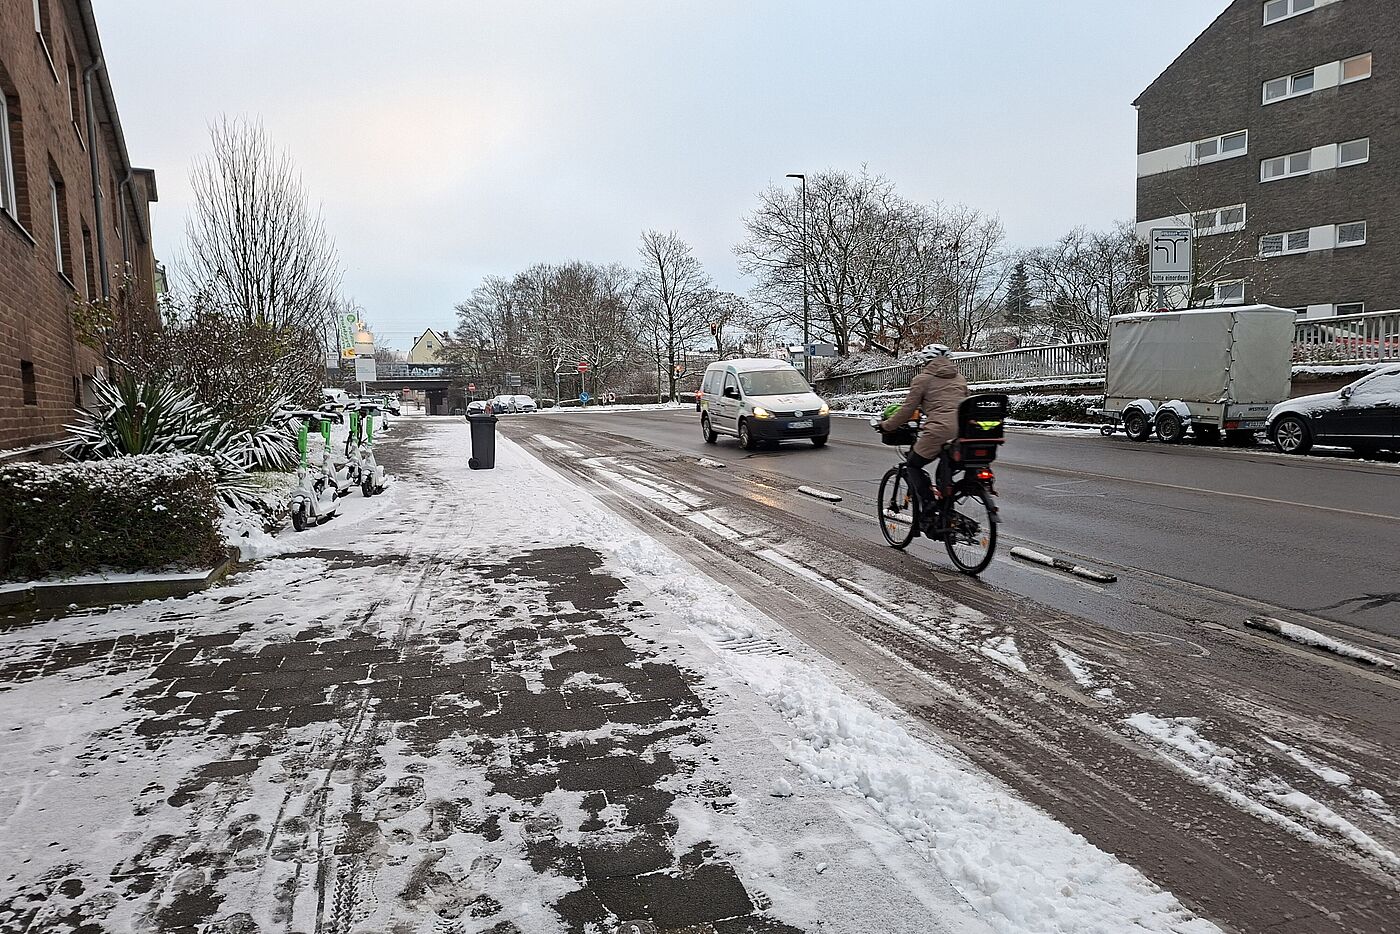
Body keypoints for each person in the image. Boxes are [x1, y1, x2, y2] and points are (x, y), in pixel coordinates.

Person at [874, 344, 968, 532]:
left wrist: (886, 426)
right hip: (963, 432)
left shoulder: (922, 379)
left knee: (913, 465)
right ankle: (946, 508)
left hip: (938, 431)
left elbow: (908, 409)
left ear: (926, 361)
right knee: (945, 473)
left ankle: (929, 508)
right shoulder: (960, 378)